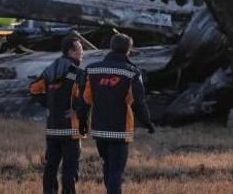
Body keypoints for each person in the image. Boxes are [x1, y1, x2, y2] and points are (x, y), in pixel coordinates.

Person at [76, 33, 154, 194]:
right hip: (120, 129)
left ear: (111, 47)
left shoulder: (91, 70)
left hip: (99, 129)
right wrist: (147, 122)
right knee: (116, 170)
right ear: (129, 50)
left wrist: (82, 122)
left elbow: (85, 99)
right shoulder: (132, 72)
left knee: (108, 165)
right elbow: (138, 102)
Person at [29, 34, 85, 194]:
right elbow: (86, 98)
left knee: (51, 165)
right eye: (80, 49)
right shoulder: (77, 73)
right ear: (71, 52)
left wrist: (49, 103)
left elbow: (33, 89)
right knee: (70, 167)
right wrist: (77, 109)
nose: (82, 52)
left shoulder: (50, 70)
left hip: (52, 128)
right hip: (71, 129)